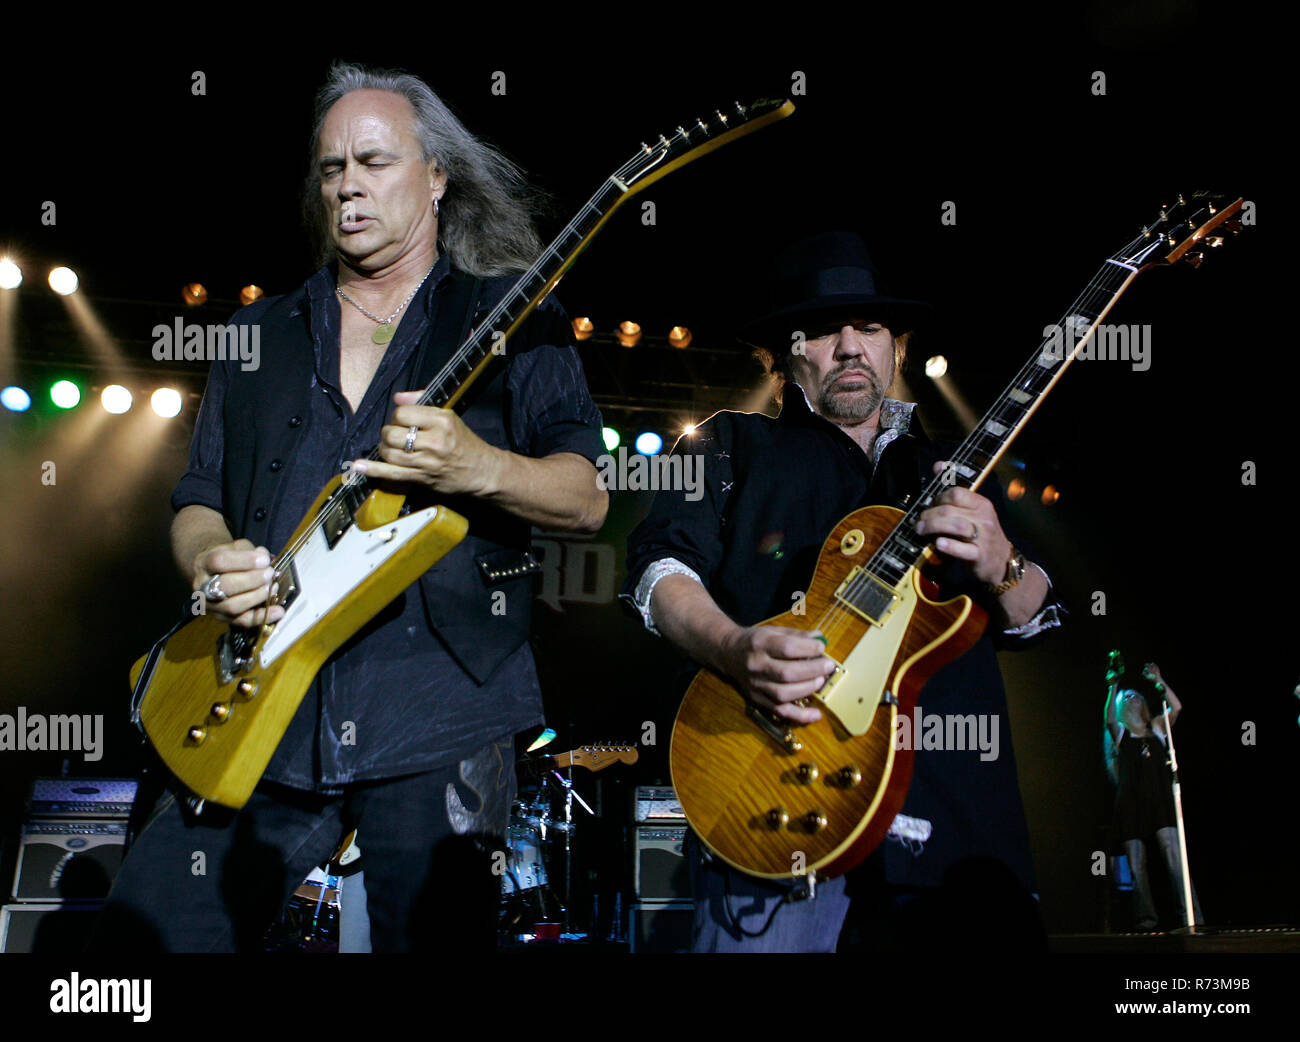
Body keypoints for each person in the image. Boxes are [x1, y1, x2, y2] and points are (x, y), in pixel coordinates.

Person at [93, 62, 607, 952]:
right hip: (258, 695)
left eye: (374, 162)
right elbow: (198, 499)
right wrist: (210, 560)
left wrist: (480, 465)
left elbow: (587, 495)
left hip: (438, 701)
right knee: (135, 952)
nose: (349, 188)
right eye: (331, 170)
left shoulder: (510, 314)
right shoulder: (257, 334)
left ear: (437, 176)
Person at [622, 231, 1065, 952]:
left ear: (898, 348)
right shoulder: (728, 446)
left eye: (871, 327)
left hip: (959, 846)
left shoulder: (955, 473)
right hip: (775, 821)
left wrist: (1003, 562)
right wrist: (735, 649)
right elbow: (656, 574)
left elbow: (1035, 614)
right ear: (781, 355)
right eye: (824, 330)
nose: (851, 345)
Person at [1104, 654, 1202, 930]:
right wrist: (1114, 686)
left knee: (1174, 859)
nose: (1133, 698)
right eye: (1128, 697)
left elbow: (1178, 707)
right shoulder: (1121, 734)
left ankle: (1191, 918)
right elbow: (1109, 719)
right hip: (1130, 805)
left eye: (1136, 695)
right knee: (1137, 867)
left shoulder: (1157, 728)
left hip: (1159, 801)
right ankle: (1146, 921)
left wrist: (1159, 680)